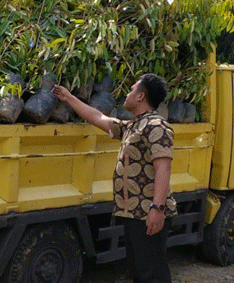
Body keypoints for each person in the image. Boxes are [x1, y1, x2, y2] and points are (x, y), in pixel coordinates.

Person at [53, 74, 176, 283]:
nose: (127, 93)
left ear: (141, 97)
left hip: (146, 213)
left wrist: (157, 209)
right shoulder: (133, 126)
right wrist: (69, 98)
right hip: (134, 213)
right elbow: (98, 118)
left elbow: (163, 168)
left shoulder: (156, 126)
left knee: (151, 273)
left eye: (132, 89)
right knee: (141, 271)